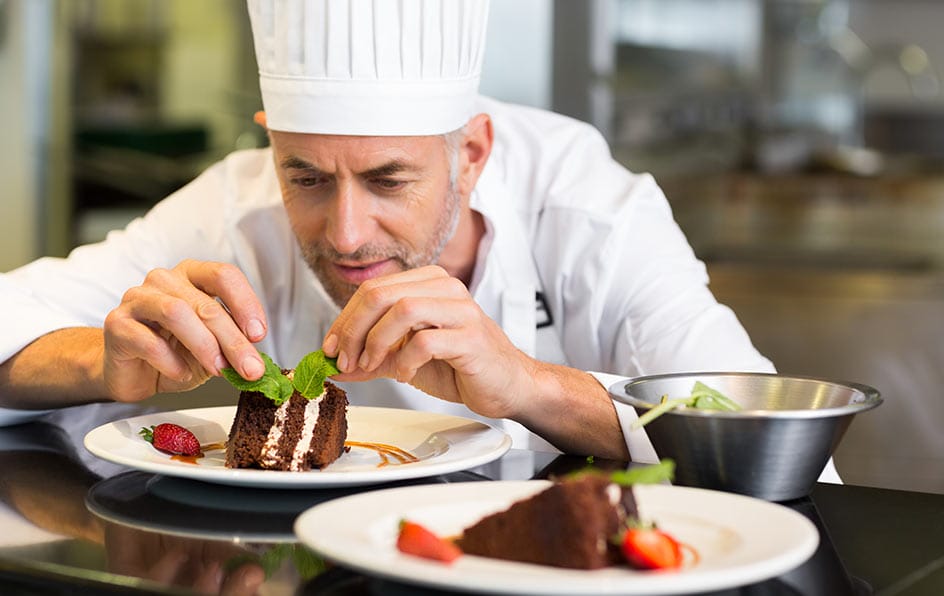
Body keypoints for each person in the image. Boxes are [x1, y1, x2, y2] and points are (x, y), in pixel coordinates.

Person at [0, 0, 796, 470]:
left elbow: (770, 437)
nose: (345, 235)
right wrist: (101, 360)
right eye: (306, 177)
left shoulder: (591, 211)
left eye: (388, 180)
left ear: (472, 155)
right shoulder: (235, 207)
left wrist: (528, 386)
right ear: (268, 140)